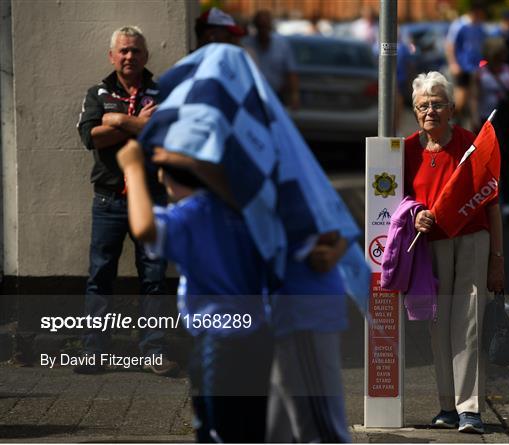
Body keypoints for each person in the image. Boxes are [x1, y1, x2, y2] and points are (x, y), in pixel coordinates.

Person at [116, 140, 272, 443]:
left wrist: (133, 168)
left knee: (218, 432)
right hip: (261, 338)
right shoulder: (242, 211)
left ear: (166, 176)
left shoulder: (191, 215)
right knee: (253, 430)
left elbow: (145, 228)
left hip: (220, 344)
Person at [405, 71, 504, 434]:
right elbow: (397, 201)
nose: (430, 110)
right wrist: (415, 214)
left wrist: (498, 259)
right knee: (438, 325)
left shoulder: (470, 144)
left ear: (451, 109)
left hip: (472, 239)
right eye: (423, 105)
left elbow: (492, 205)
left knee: (468, 323)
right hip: (431, 245)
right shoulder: (407, 150)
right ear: (415, 112)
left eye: (437, 104)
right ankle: (447, 406)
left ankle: (470, 409)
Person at [76, 26, 179, 376]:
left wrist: (118, 121)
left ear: (145, 56)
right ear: (112, 56)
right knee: (100, 276)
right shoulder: (97, 93)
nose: (129, 56)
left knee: (153, 277)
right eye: (123, 51)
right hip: (108, 202)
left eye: (135, 51)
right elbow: (93, 138)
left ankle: (154, 350)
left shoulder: (165, 92)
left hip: (151, 200)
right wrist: (136, 123)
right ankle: (93, 351)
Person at [265, 232, 352, 443]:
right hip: (277, 316)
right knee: (278, 433)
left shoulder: (298, 200)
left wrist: (333, 249)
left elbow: (342, 231)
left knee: (320, 433)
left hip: (301, 315)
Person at [474, 37, 509, 223]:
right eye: (499, 53)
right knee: (486, 165)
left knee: (506, 162)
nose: (502, 56)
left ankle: (507, 205)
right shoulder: (480, 73)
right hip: (487, 122)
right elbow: (474, 97)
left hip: (506, 122)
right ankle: (486, 204)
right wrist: (475, 119)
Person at [242, 10, 300, 109]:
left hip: (277, 94)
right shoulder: (246, 44)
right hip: (253, 94)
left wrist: (294, 95)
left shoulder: (282, 44)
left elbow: (291, 71)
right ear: (255, 26)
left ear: (270, 27)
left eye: (265, 26)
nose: (263, 30)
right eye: (260, 26)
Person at [445, 1, 487, 125]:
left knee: (475, 98)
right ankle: (450, 122)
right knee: (461, 98)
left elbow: (482, 47)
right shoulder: (459, 25)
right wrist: (453, 64)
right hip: (462, 67)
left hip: (476, 67)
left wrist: (483, 65)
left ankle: (474, 126)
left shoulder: (479, 27)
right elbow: (450, 45)